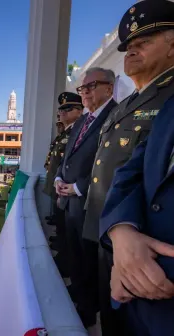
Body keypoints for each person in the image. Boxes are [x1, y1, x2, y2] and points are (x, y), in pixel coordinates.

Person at [83, 2, 174, 334]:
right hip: (114, 229)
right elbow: (129, 169)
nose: (132, 53)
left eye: (144, 43)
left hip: (149, 252)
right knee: (113, 318)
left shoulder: (166, 97)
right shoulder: (131, 104)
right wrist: (118, 227)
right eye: (129, 47)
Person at [100, 95, 174, 335]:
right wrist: (121, 231)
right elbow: (132, 171)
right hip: (132, 302)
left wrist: (134, 273)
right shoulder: (169, 105)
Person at [55, 68, 117, 328]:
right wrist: (59, 178)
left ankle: (88, 310)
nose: (86, 91)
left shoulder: (116, 115)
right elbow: (67, 158)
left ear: (109, 89)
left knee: (91, 260)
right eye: (83, 88)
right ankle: (79, 295)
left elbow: (112, 163)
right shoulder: (82, 121)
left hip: (91, 202)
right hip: (70, 202)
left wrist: (78, 187)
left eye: (93, 85)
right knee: (76, 255)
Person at [44, 93, 83, 277]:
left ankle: (66, 263)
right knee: (62, 226)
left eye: (67, 109)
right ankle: (63, 255)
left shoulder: (79, 131)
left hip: (72, 191)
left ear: (80, 111)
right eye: (61, 109)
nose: (62, 113)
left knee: (69, 233)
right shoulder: (66, 133)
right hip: (60, 184)